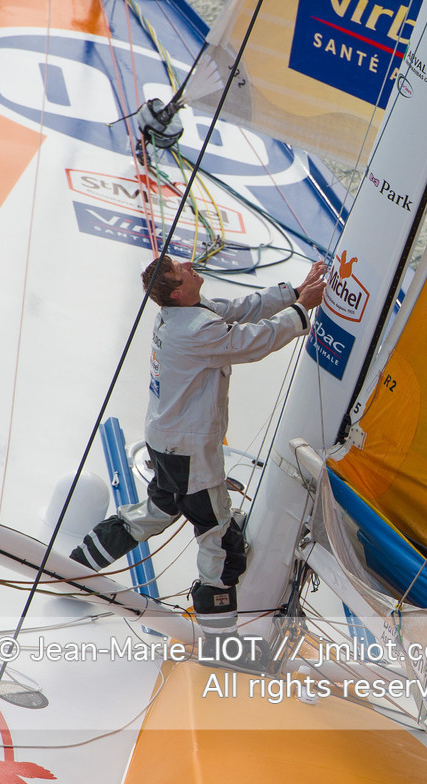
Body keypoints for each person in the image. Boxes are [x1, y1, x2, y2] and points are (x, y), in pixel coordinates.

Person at [70, 253, 327, 631]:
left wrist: (295, 293)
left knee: (157, 511)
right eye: (181, 270)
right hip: (190, 455)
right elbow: (253, 342)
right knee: (218, 538)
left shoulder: (184, 315)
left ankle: (72, 568)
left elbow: (243, 308)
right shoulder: (195, 330)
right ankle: (217, 634)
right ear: (176, 292)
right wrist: (302, 312)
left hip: (166, 442)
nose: (190, 266)